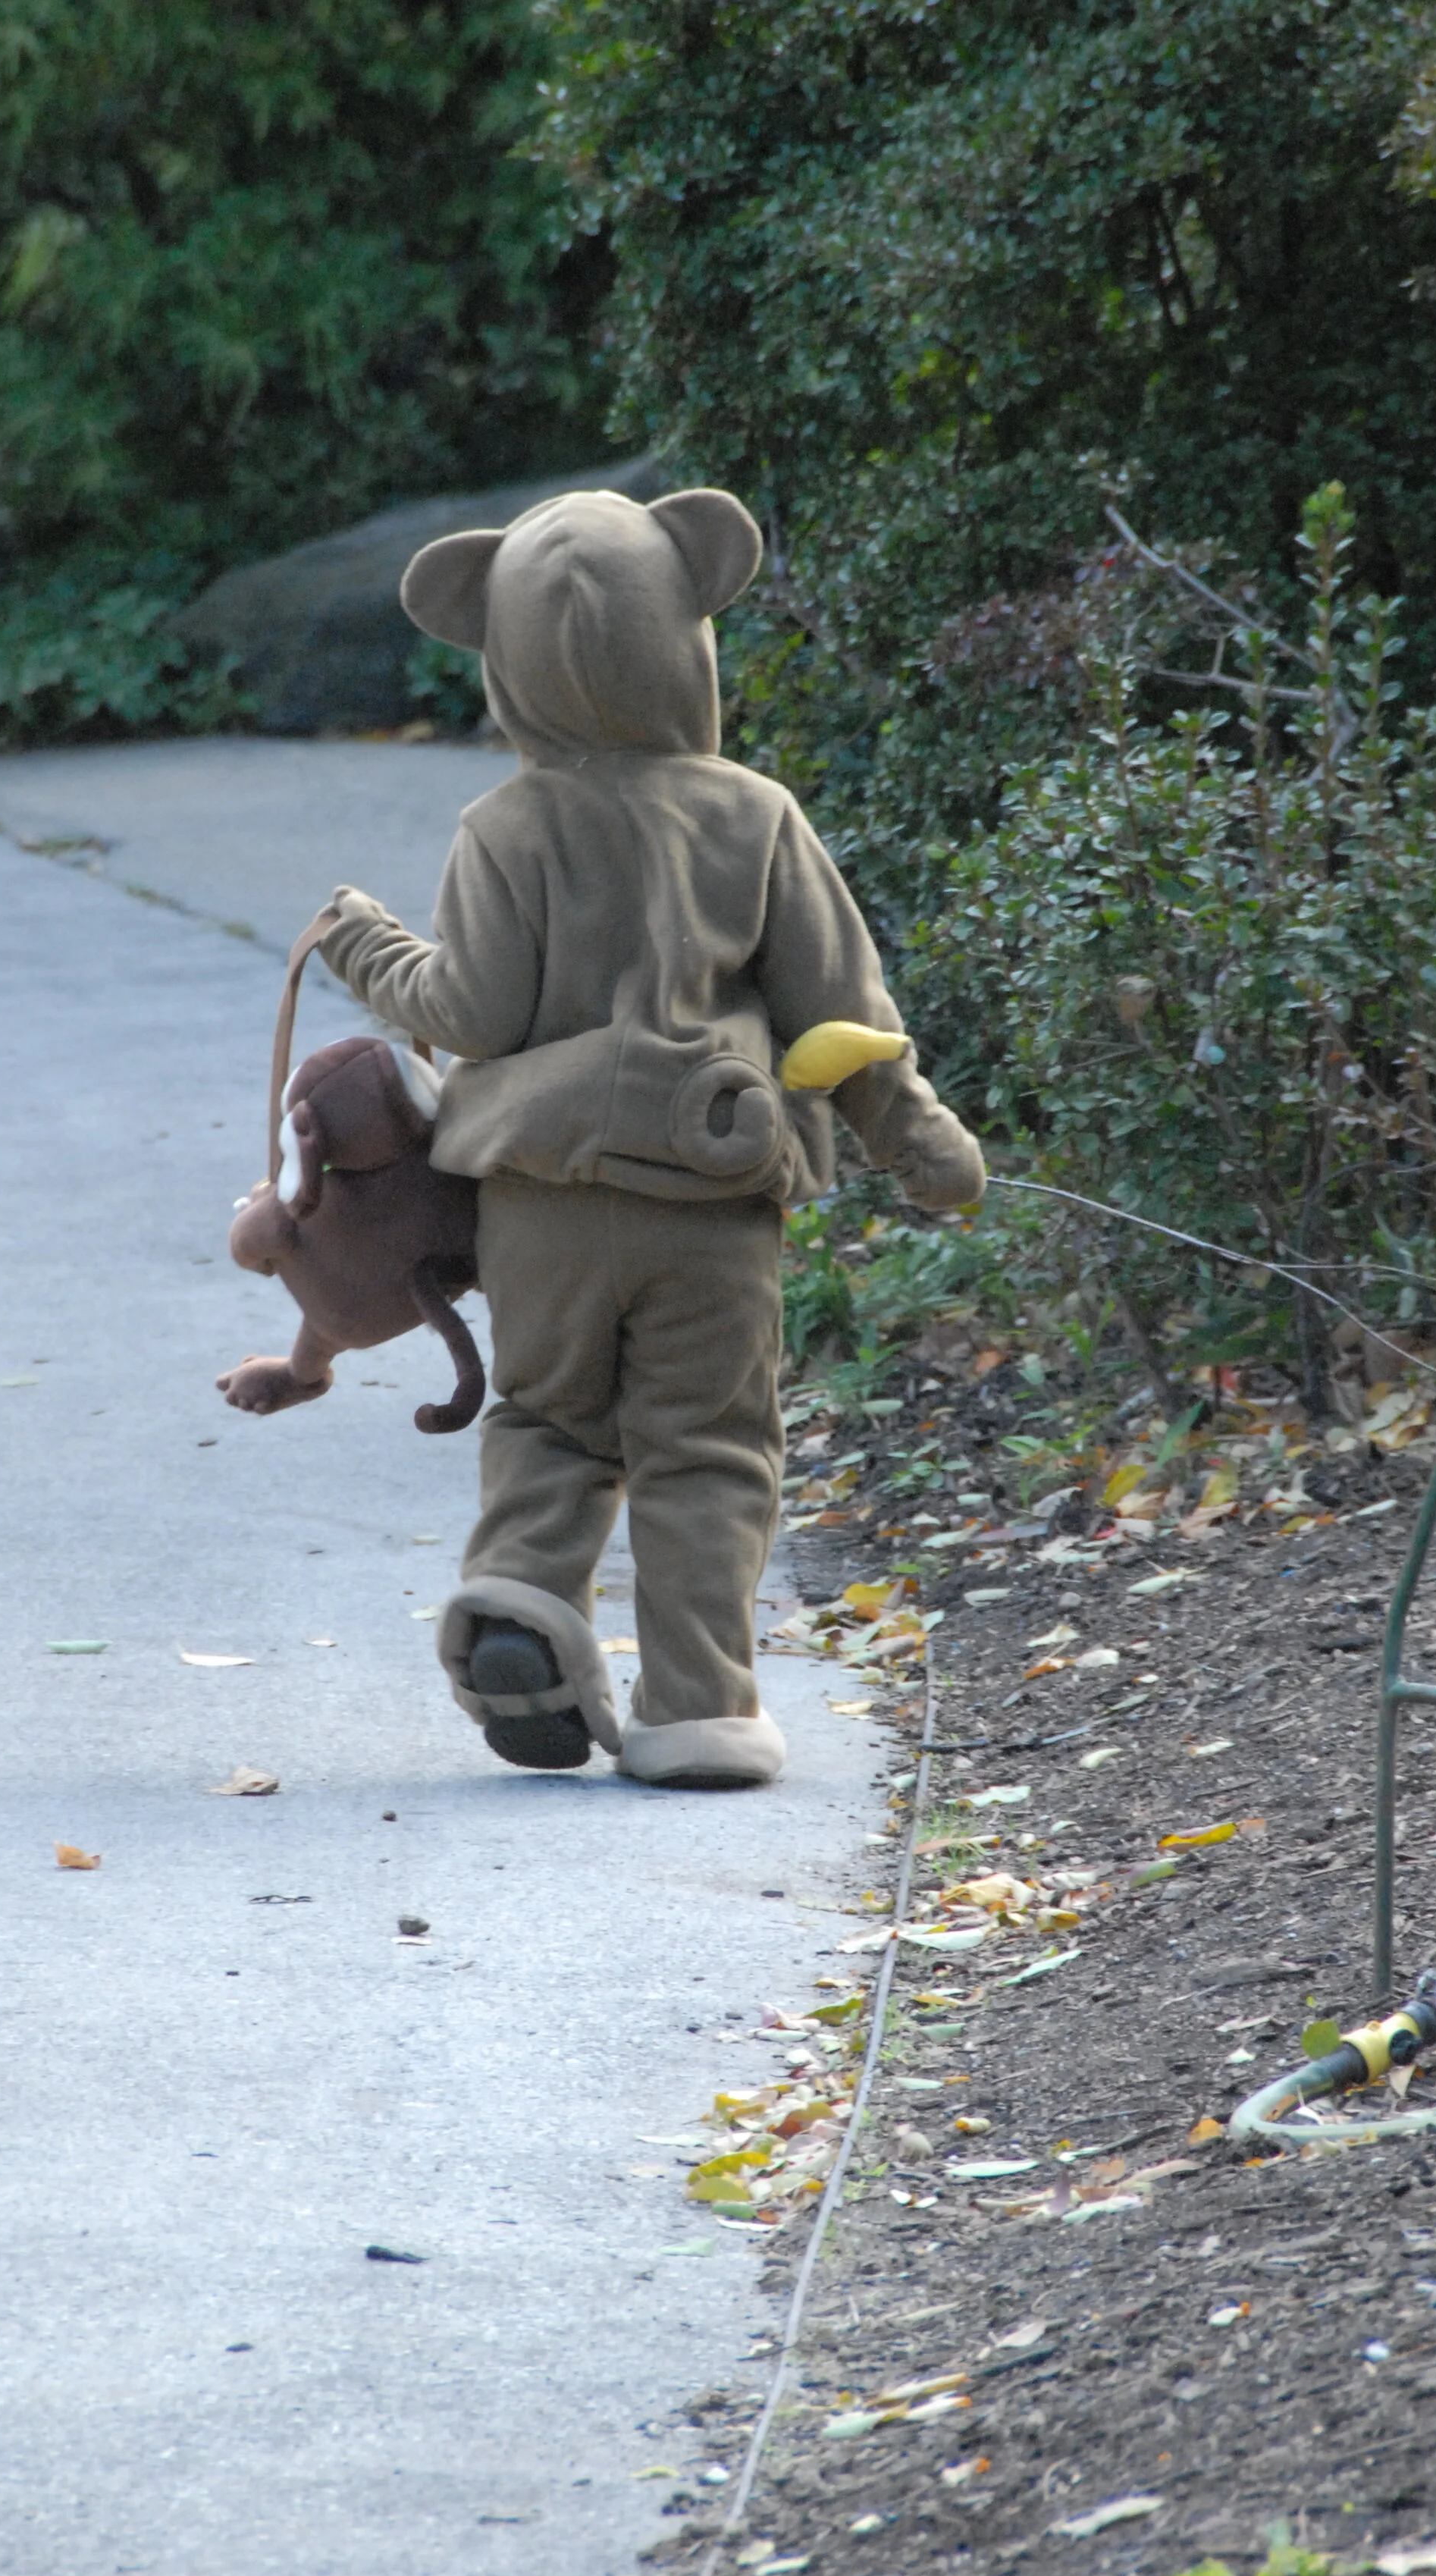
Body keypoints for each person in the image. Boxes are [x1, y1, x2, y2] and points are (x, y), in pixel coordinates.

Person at [314, 485, 983, 1788]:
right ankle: (698, 1710)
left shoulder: (502, 829)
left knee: (553, 1420)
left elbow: (469, 1010)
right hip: (712, 1198)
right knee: (707, 1443)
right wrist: (923, 1143)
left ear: (502, 656)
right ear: (688, 626)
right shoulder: (756, 814)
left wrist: (363, 942)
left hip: (543, 1201)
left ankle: (518, 1607)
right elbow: (843, 1016)